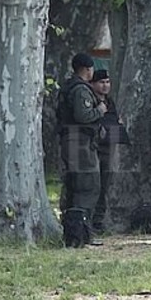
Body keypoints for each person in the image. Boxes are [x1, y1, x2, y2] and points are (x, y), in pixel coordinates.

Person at [57, 53, 105, 246]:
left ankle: (74, 233)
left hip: (72, 142)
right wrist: (99, 111)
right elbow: (83, 115)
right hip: (81, 144)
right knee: (87, 186)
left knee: (75, 186)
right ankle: (80, 233)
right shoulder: (80, 90)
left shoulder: (68, 87)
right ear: (87, 69)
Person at [90, 69, 128, 233]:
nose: (105, 86)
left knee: (104, 183)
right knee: (92, 183)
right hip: (92, 147)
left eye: (107, 82)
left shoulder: (110, 102)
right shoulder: (91, 100)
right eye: (101, 82)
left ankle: (98, 221)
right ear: (93, 84)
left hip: (109, 147)